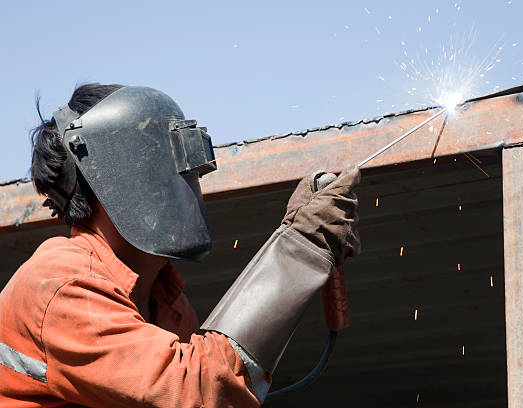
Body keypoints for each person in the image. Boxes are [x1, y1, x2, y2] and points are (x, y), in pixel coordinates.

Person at [0, 84, 360, 407]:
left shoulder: (166, 301)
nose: (188, 185)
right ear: (119, 179)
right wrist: (300, 248)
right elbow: (196, 392)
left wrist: (295, 239)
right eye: (173, 167)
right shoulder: (61, 285)